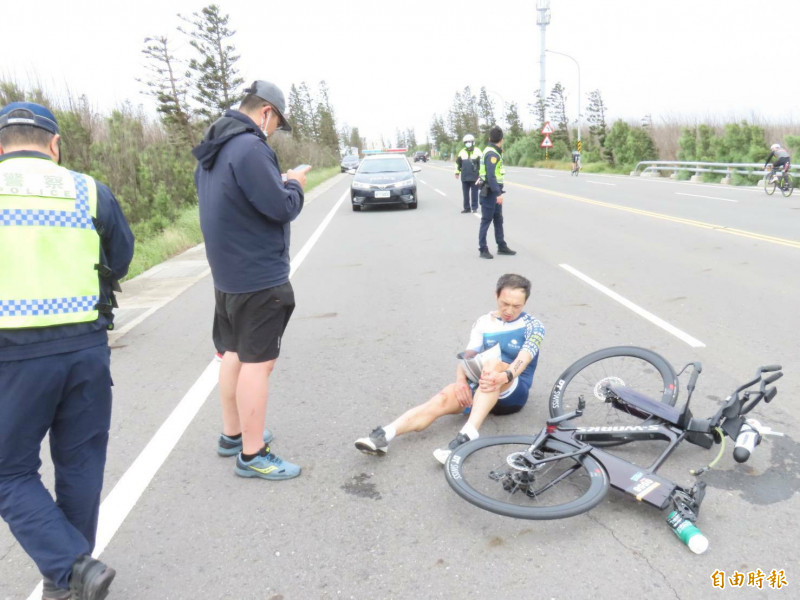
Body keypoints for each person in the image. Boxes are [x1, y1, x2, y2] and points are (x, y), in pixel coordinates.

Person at [0, 102, 134, 599]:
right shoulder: (88, 189)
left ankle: (69, 568)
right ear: (54, 145)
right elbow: (120, 256)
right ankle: (70, 574)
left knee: (9, 470)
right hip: (85, 347)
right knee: (80, 465)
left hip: (12, 353)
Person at [193, 80, 309, 481]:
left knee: (233, 355)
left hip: (226, 278)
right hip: (258, 278)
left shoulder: (214, 148)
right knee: (258, 364)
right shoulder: (250, 148)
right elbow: (280, 207)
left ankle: (233, 434)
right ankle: (252, 453)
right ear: (266, 113)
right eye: (276, 123)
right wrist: (293, 183)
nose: (274, 131)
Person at [354, 274, 544, 464]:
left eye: (517, 306)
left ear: (525, 303)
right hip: (484, 385)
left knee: (493, 365)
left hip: (513, 391)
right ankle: (385, 435)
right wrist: (461, 381)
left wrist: (505, 376)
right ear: (496, 295)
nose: (509, 310)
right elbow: (469, 357)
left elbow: (523, 359)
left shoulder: (534, 326)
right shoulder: (483, 322)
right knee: (444, 396)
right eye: (505, 303)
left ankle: (467, 435)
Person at [478, 126, 516, 259]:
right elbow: (491, 176)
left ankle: (501, 246)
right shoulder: (492, 154)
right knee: (486, 220)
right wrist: (498, 194)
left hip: (493, 190)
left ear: (490, 138)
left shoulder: (492, 151)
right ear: (502, 140)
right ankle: (483, 248)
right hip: (490, 192)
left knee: (498, 219)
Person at [455, 134, 482, 213]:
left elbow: (482, 164)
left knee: (474, 193)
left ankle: (474, 207)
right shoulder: (462, 152)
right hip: (465, 176)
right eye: (466, 142)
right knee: (465, 193)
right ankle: (467, 208)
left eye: (469, 142)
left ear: (473, 142)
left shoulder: (478, 151)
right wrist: (457, 172)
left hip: (475, 176)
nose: (468, 143)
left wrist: (481, 174)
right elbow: (458, 164)